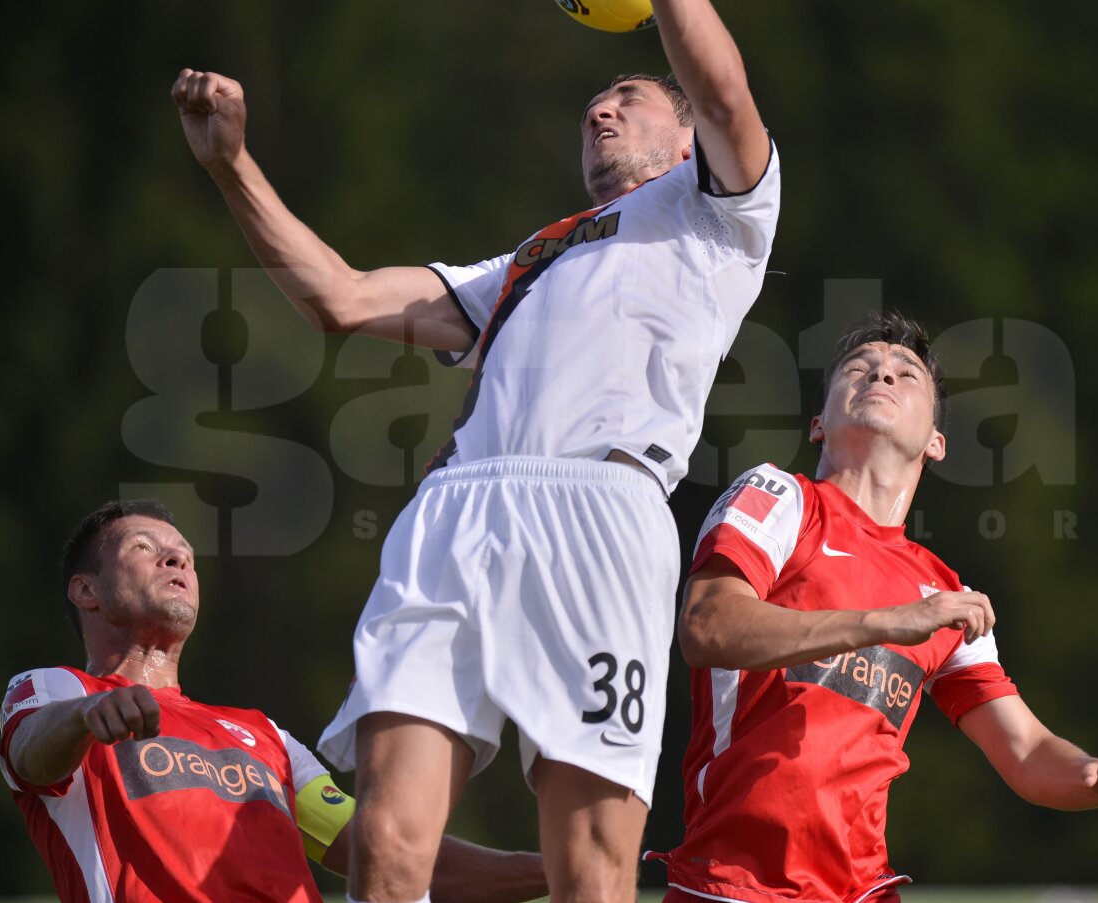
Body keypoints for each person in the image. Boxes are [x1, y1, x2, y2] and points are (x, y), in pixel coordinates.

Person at [172, 2, 778, 900]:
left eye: (628, 97)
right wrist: (230, 167)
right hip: (459, 514)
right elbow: (340, 298)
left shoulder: (716, 214)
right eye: (591, 107)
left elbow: (724, 92)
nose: (599, 112)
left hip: (603, 513)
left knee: (590, 865)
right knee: (383, 835)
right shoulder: (531, 257)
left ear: (686, 136)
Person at [647, 311, 1098, 902]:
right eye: (858, 369)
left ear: (936, 442)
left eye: (905, 373)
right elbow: (708, 624)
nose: (881, 375)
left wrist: (1096, 773)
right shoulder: (780, 497)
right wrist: (880, 624)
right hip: (734, 885)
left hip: (863, 890)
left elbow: (1026, 752)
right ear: (819, 424)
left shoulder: (940, 592)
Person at [0, 499, 547, 903]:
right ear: (85, 591)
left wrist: (553, 867)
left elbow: (387, 857)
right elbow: (27, 754)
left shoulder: (266, 736)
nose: (177, 561)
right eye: (145, 548)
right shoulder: (62, 692)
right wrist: (83, 716)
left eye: (185, 557)